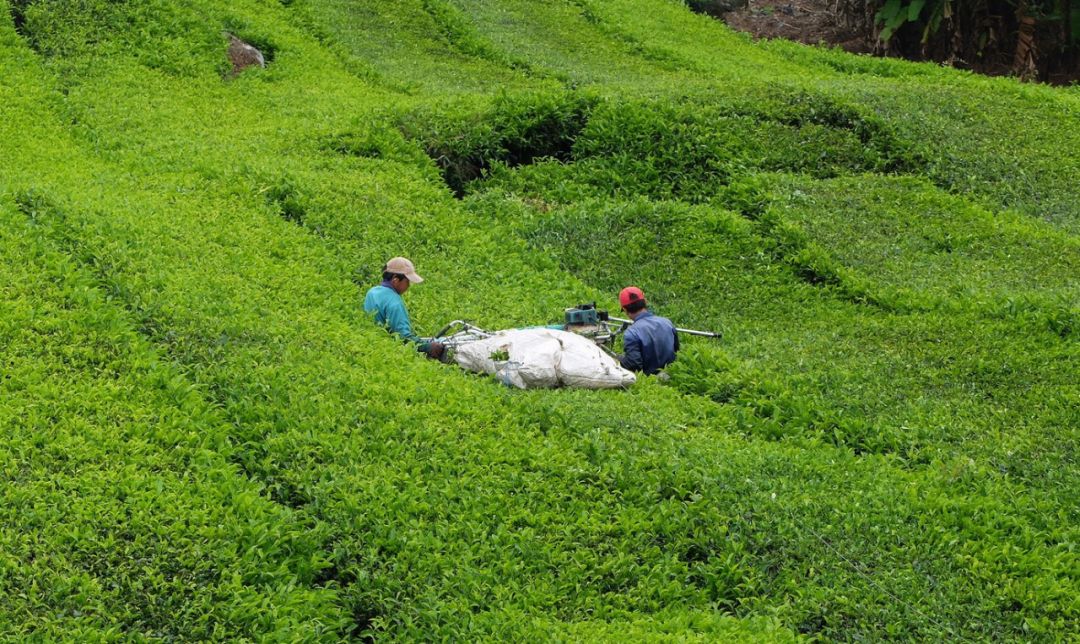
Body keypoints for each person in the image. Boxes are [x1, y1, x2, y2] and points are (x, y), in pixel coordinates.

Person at [363, 256, 445, 360]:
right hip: (389, 352)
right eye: (407, 282)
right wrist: (428, 347)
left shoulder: (372, 292)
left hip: (371, 342)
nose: (408, 286)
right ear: (395, 280)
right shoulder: (394, 302)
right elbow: (403, 338)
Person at [617, 286, 678, 375]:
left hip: (650, 380)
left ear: (625, 310)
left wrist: (617, 360)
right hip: (670, 375)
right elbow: (676, 350)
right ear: (645, 302)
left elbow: (634, 365)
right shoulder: (667, 322)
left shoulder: (631, 333)